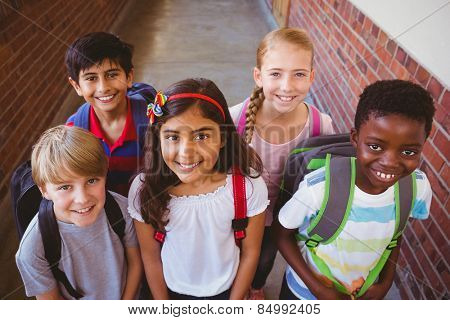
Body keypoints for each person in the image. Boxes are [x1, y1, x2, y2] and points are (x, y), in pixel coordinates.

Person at [273, 79, 435, 299]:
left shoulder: (417, 188)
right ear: (355, 138)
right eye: (375, 146)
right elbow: (282, 235)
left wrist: (385, 283)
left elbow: (394, 235)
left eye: (408, 152)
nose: (390, 162)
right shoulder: (319, 189)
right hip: (304, 293)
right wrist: (318, 289)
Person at [128, 78, 268, 299]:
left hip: (228, 291)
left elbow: (251, 253)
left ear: (222, 137)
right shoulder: (144, 189)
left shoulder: (248, 187)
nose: (186, 152)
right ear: (158, 138)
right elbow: (150, 257)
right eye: (173, 137)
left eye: (202, 136)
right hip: (170, 290)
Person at [229, 27, 335, 299]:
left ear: (311, 77)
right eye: (275, 73)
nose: (287, 86)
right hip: (235, 214)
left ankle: (255, 287)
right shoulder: (234, 119)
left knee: (264, 260)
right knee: (231, 261)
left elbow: (325, 180)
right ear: (258, 76)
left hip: (281, 219)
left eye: (299, 74)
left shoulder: (320, 126)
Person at [15, 125, 142, 299]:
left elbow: (135, 263)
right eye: (65, 187)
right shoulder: (33, 248)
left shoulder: (122, 210)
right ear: (44, 190)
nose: (82, 199)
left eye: (91, 180)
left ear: (104, 174)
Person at [65, 32, 154, 196]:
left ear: (129, 77)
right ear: (76, 85)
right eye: (91, 78)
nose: (103, 87)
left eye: (112, 75)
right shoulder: (73, 131)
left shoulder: (153, 120)